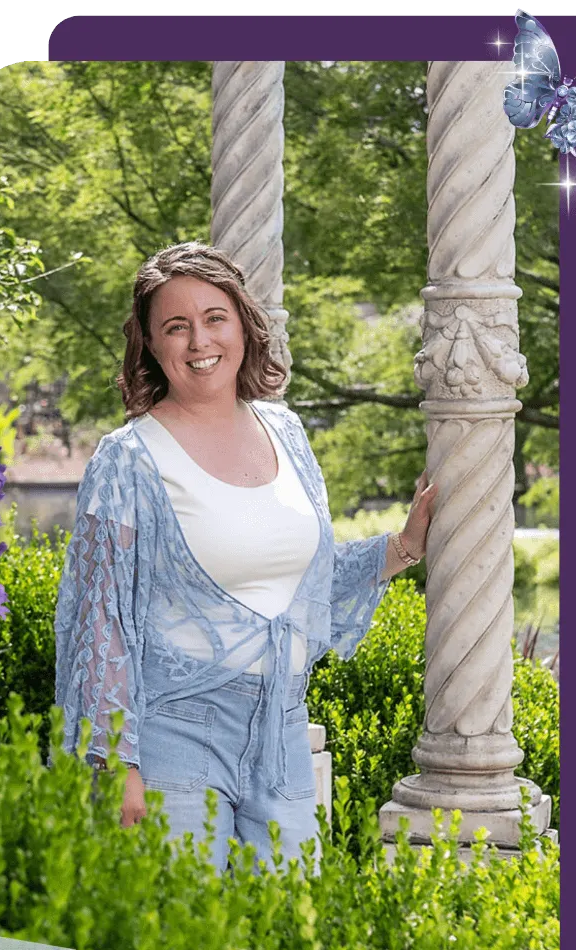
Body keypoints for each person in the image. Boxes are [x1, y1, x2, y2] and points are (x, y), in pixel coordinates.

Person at [54, 241, 436, 875]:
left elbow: (301, 583)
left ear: (242, 325)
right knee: (186, 930)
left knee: (287, 922)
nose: (199, 340)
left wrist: (404, 547)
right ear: (151, 344)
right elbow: (101, 620)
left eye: (215, 318)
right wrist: (115, 762)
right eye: (176, 326)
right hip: (175, 734)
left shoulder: (286, 432)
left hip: (282, 729)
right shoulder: (127, 459)